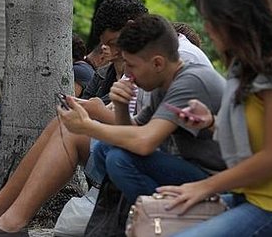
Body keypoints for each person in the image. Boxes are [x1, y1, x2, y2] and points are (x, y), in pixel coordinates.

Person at [0, 0, 148, 237]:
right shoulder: (136, 64)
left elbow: (146, 133)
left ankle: (7, 220)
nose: (113, 52)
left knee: (69, 129)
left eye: (114, 43)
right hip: (126, 153)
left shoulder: (169, 62)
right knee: (64, 122)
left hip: (137, 161)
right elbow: (132, 119)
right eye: (108, 46)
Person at [59, 14, 226, 207]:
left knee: (119, 160)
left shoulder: (190, 81)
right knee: (106, 149)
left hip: (215, 177)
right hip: (189, 166)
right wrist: (121, 106)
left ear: (157, 63)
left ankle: (164, 218)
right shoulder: (163, 81)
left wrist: (87, 127)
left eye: (132, 66)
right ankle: (146, 215)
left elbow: (144, 143)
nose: (127, 74)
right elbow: (135, 130)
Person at [156, 0, 272, 236]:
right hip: (248, 197)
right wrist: (210, 122)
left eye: (211, 19)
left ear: (234, 19)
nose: (206, 28)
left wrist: (204, 186)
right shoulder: (243, 69)